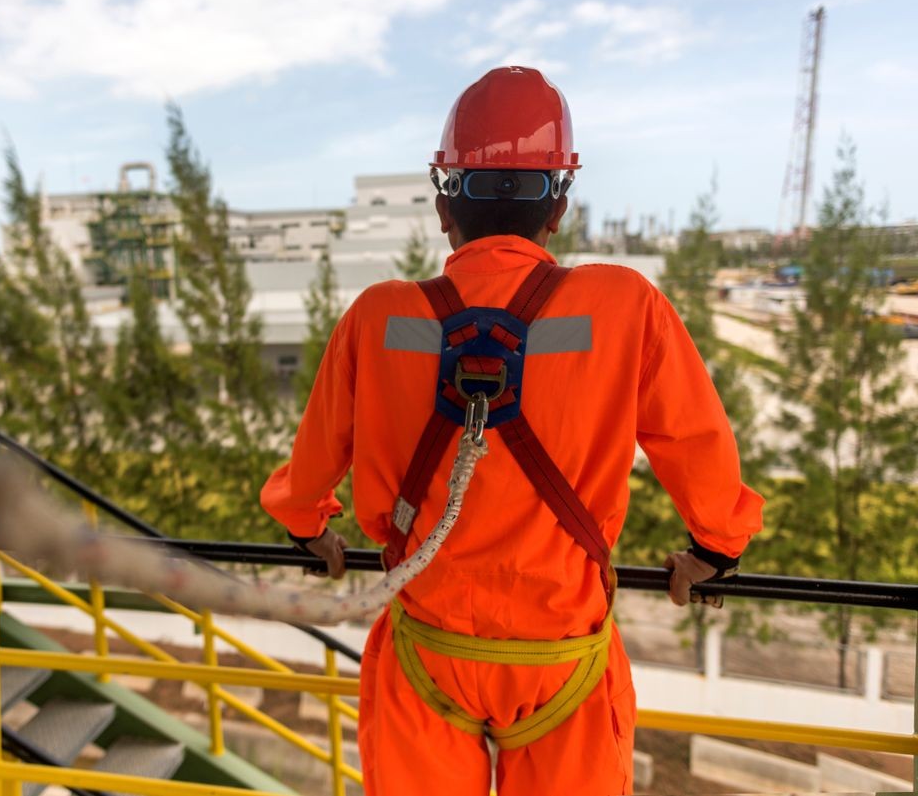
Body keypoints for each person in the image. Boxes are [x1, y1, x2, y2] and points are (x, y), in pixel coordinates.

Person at [260, 66, 763, 796]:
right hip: (564, 667)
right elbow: (698, 446)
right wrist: (714, 550)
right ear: (557, 206)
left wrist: (309, 529)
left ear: (442, 206)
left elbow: (307, 476)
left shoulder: (378, 317)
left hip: (424, 657)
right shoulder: (624, 307)